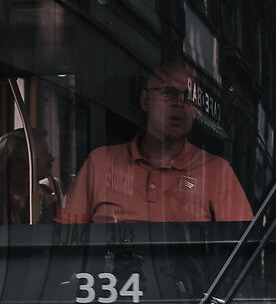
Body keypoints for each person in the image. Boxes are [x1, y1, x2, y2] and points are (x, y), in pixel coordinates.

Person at [59, 59, 252, 226]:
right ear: (145, 100)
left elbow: (245, 250)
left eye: (189, 96)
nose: (179, 102)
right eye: (168, 92)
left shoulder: (216, 172)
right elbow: (65, 241)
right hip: (110, 270)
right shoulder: (99, 163)